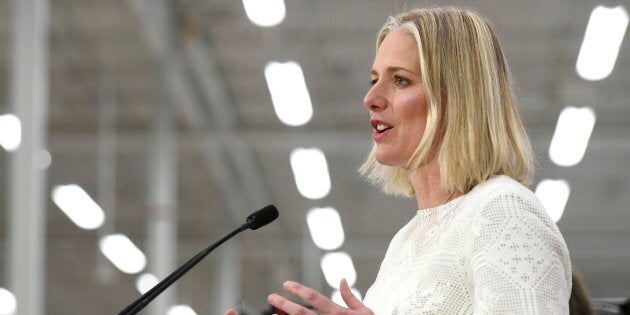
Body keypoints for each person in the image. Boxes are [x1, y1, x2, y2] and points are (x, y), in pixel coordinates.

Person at [227, 6, 572, 315]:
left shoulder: (503, 212)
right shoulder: (407, 241)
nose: (370, 98)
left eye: (400, 80)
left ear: (458, 96)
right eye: (374, 80)